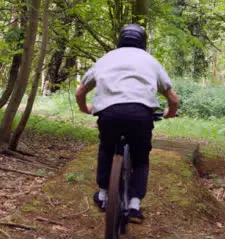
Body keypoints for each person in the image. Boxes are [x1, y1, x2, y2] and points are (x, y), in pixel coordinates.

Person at [75, 24, 179, 224]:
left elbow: (80, 92)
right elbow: (173, 100)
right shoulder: (150, 61)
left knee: (106, 149)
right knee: (141, 158)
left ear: (120, 40)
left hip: (109, 113)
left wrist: (84, 108)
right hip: (140, 114)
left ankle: (104, 194)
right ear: (143, 42)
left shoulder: (106, 59)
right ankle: (134, 205)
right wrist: (169, 113)